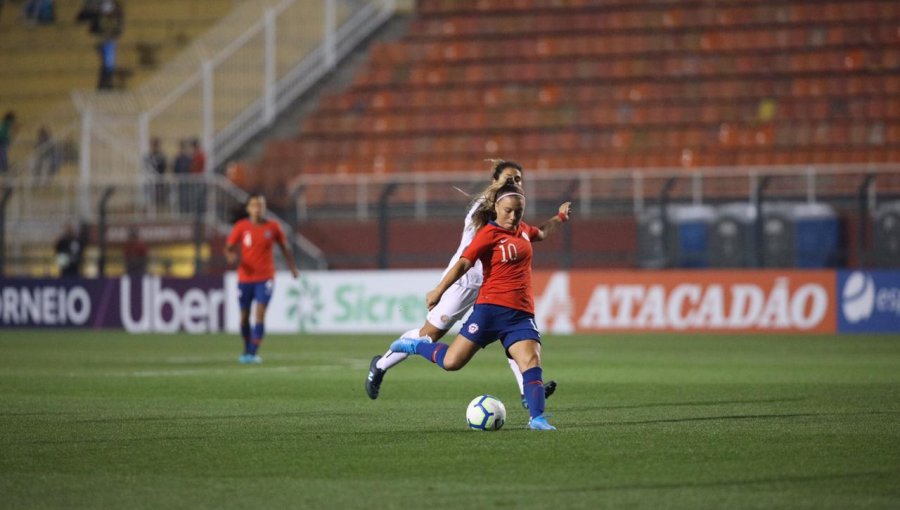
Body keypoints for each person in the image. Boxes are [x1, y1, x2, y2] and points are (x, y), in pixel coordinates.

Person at [366, 160, 558, 408]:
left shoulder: (512, 210)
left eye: (518, 179)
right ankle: (380, 365)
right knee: (430, 335)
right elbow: (472, 253)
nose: (514, 183)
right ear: (494, 182)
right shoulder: (483, 208)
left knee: (512, 333)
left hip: (494, 288)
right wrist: (440, 289)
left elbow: (533, 234)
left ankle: (526, 392)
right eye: (508, 179)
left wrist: (558, 218)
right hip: (465, 283)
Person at [225, 194, 299, 364]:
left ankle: (252, 353)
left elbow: (285, 247)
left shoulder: (273, 227)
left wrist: (292, 267)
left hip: (265, 277)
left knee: (259, 314)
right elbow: (228, 247)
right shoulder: (241, 227)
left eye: (260, 205)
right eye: (254, 205)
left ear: (264, 208)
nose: (257, 208)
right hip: (245, 277)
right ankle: (247, 349)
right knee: (244, 316)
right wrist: (231, 256)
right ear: (248, 208)